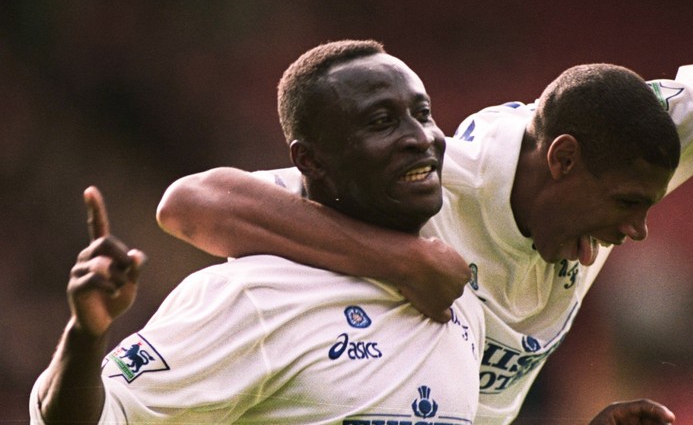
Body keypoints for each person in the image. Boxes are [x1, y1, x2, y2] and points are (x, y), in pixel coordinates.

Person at [157, 42, 693, 424]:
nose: (640, 230)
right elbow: (191, 202)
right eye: (627, 203)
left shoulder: (635, 135)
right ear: (562, 161)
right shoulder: (424, 189)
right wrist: (401, 258)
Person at [31, 40, 488, 424]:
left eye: (423, 114)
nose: (421, 137)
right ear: (310, 161)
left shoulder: (459, 295)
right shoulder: (251, 298)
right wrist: (85, 335)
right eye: (382, 122)